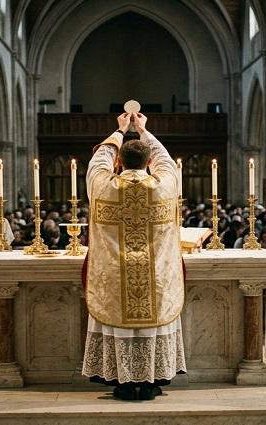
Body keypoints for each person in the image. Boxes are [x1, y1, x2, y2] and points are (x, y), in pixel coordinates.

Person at [82, 112, 185, 401]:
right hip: (155, 279)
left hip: (116, 277)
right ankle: (151, 379)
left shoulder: (103, 184)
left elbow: (97, 160)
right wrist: (143, 130)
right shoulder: (165, 185)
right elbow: (166, 162)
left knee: (119, 325)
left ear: (119, 162)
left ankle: (123, 382)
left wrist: (119, 131)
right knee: (151, 325)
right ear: (148, 161)